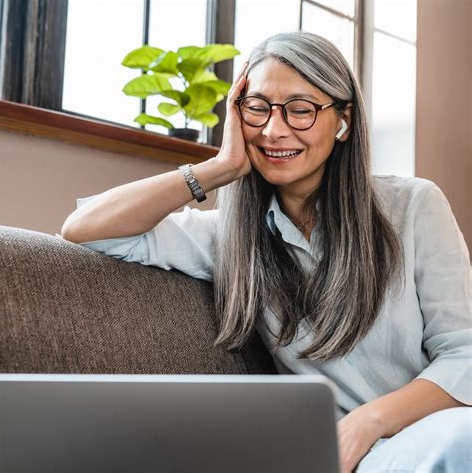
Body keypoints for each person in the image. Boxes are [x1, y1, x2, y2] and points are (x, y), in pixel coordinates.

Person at [61, 32, 471, 473]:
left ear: (343, 120)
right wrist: (218, 168)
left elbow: (464, 355)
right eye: (258, 108)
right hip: (330, 457)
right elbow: (86, 229)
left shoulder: (414, 206)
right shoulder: (230, 237)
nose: (275, 130)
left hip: (426, 436)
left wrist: (367, 423)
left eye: (301, 110)